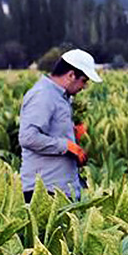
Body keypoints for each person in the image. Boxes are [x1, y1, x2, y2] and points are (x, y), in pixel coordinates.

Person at [19, 49, 101, 202]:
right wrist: (66, 145)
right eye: (83, 81)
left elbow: (50, 134)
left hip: (61, 190)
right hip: (44, 192)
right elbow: (28, 137)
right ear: (71, 75)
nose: (84, 87)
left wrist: (73, 134)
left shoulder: (60, 96)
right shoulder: (43, 95)